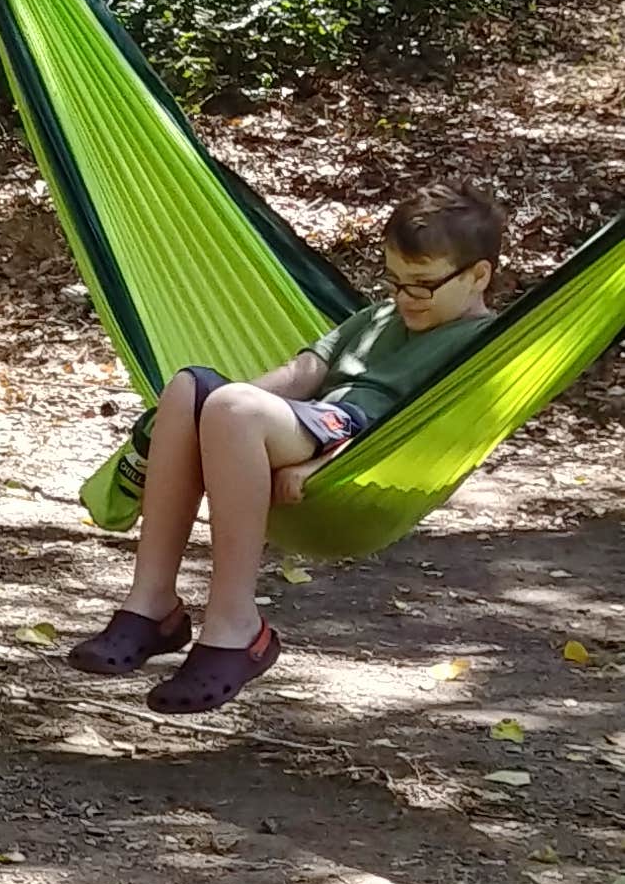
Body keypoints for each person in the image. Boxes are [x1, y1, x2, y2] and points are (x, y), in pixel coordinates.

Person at [67, 182, 504, 717]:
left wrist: (323, 462)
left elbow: (422, 429)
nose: (404, 297)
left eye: (422, 285)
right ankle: (152, 603)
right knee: (189, 389)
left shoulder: (484, 344)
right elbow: (304, 373)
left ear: (478, 275)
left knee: (233, 411)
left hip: (350, 436)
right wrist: (210, 410)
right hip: (305, 420)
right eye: (394, 281)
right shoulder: (378, 319)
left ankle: (236, 626)